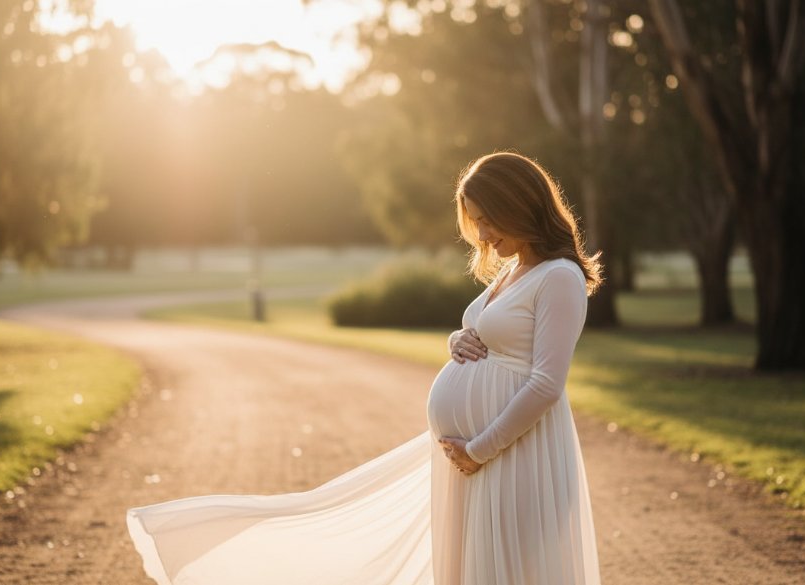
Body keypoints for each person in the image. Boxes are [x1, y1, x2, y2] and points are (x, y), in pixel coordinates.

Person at [126, 151, 602, 584]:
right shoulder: (513, 269)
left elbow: (545, 384)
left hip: (514, 456)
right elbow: (491, 332)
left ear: (518, 205)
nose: (480, 235)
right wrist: (458, 339)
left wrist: (480, 449)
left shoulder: (558, 276)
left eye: (487, 220)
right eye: (474, 223)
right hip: (473, 459)